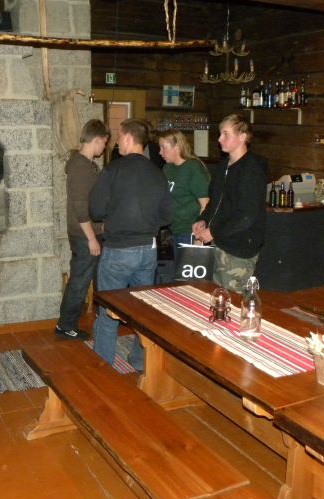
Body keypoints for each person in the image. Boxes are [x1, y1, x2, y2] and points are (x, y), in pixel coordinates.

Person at [89, 119, 172, 370]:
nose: (116, 142)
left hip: (118, 250)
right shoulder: (157, 173)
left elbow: (95, 210)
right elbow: (167, 216)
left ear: (127, 138)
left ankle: (103, 365)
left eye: (118, 136)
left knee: (109, 311)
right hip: (148, 250)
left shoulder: (112, 170)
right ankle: (139, 360)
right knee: (141, 311)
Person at [192, 114, 267, 292]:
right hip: (219, 242)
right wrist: (203, 219)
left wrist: (213, 232)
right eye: (220, 134)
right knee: (214, 295)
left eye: (226, 134)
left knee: (233, 299)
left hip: (238, 247)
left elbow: (246, 215)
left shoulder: (251, 169)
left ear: (242, 137)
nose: (219, 139)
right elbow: (215, 202)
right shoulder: (223, 167)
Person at [55, 119, 110, 340]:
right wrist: (92, 238)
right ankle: (66, 325)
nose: (104, 147)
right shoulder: (80, 166)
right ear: (96, 139)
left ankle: (77, 322)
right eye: (104, 142)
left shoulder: (86, 164)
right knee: (79, 281)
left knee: (84, 279)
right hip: (85, 235)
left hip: (89, 233)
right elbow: (80, 208)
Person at [158, 129, 210, 257]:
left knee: (188, 269)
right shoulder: (168, 168)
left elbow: (206, 204)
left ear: (177, 147)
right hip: (174, 229)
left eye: (163, 147)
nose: (160, 152)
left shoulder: (193, 168)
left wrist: (199, 238)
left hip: (190, 231)